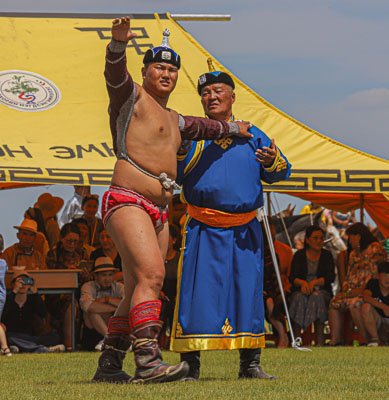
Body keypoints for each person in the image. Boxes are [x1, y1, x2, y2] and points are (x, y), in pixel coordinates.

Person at [92, 16, 253, 384]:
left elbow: (207, 126)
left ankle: (110, 364)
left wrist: (235, 128)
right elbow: (113, 75)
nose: (165, 73)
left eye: (171, 69)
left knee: (137, 285)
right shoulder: (130, 97)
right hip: (128, 198)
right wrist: (117, 46)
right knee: (152, 274)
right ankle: (148, 364)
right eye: (159, 67)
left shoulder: (176, 118)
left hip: (159, 209)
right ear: (146, 71)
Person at [170, 65, 291, 380]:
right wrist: (181, 149)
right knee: (196, 293)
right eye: (205, 93)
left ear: (232, 96)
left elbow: (281, 171)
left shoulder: (252, 133)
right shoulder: (194, 134)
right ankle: (190, 365)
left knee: (247, 291)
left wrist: (272, 161)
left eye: (217, 91)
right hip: (203, 228)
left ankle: (250, 365)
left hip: (244, 231)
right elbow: (177, 173)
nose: (211, 97)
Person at [328, 222, 387, 345]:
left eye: (351, 237)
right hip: (351, 292)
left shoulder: (375, 249)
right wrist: (345, 292)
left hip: (368, 292)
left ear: (358, 236)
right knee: (334, 302)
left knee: (355, 304)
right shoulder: (353, 254)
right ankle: (336, 339)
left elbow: (375, 277)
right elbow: (349, 276)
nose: (349, 240)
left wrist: (354, 292)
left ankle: (367, 339)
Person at [288, 225, 335, 346]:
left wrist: (314, 283)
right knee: (299, 298)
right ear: (307, 240)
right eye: (315, 238)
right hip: (301, 290)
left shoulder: (327, 255)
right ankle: (296, 339)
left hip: (322, 291)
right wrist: (303, 283)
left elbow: (330, 277)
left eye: (321, 238)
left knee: (317, 297)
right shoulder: (299, 255)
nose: (319, 241)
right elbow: (292, 277)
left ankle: (320, 340)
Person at [1, 271, 64, 353]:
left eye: (26, 281)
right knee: (8, 338)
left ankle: (21, 347)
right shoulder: (7, 299)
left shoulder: (32, 299)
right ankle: (44, 349)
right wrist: (14, 291)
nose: (23, 284)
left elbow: (43, 313)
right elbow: (3, 314)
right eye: (20, 281)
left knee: (54, 337)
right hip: (12, 335)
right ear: (13, 284)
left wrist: (35, 293)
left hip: (30, 336)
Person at [79, 257, 124, 350]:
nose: (107, 279)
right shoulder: (88, 286)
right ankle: (110, 339)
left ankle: (109, 340)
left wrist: (106, 299)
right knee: (92, 313)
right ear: (96, 276)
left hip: (115, 325)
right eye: (104, 275)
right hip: (92, 331)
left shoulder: (119, 287)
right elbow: (89, 307)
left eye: (110, 275)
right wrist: (116, 307)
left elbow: (129, 304)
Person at [359, 261, 389, 346]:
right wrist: (384, 307)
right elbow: (365, 296)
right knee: (365, 307)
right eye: (385, 275)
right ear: (378, 276)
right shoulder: (373, 283)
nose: (388, 279)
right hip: (378, 319)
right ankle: (375, 339)